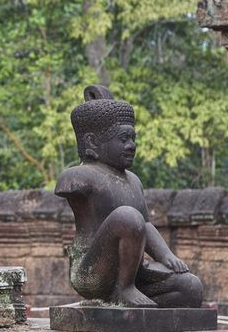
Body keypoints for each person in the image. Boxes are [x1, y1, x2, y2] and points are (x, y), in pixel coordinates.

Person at [55, 86, 203, 308]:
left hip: (133, 270)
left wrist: (166, 255)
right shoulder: (79, 177)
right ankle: (124, 291)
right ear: (93, 143)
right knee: (127, 217)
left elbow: (145, 225)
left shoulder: (133, 180)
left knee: (191, 287)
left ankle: (128, 300)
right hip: (91, 273)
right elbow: (132, 222)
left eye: (133, 138)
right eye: (123, 139)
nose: (131, 146)